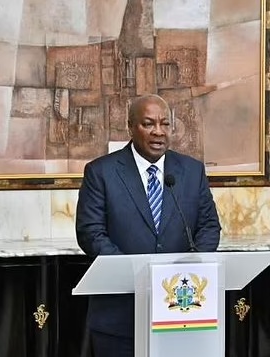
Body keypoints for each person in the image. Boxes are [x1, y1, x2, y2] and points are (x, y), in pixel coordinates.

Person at [76, 94, 221, 357]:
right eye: (148, 123)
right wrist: (139, 276)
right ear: (130, 127)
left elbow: (210, 226)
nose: (158, 132)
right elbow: (90, 233)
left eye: (165, 124)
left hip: (180, 310)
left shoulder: (191, 170)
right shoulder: (101, 172)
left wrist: (188, 269)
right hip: (120, 316)